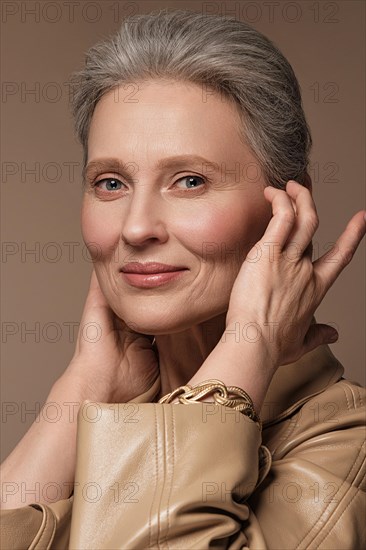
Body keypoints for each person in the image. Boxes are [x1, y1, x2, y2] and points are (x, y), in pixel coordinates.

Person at [1, 8, 365, 549]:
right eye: (110, 183)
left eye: (190, 181)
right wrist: (82, 387)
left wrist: (252, 343)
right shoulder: (101, 406)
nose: (136, 227)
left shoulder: (345, 450)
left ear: (287, 206)